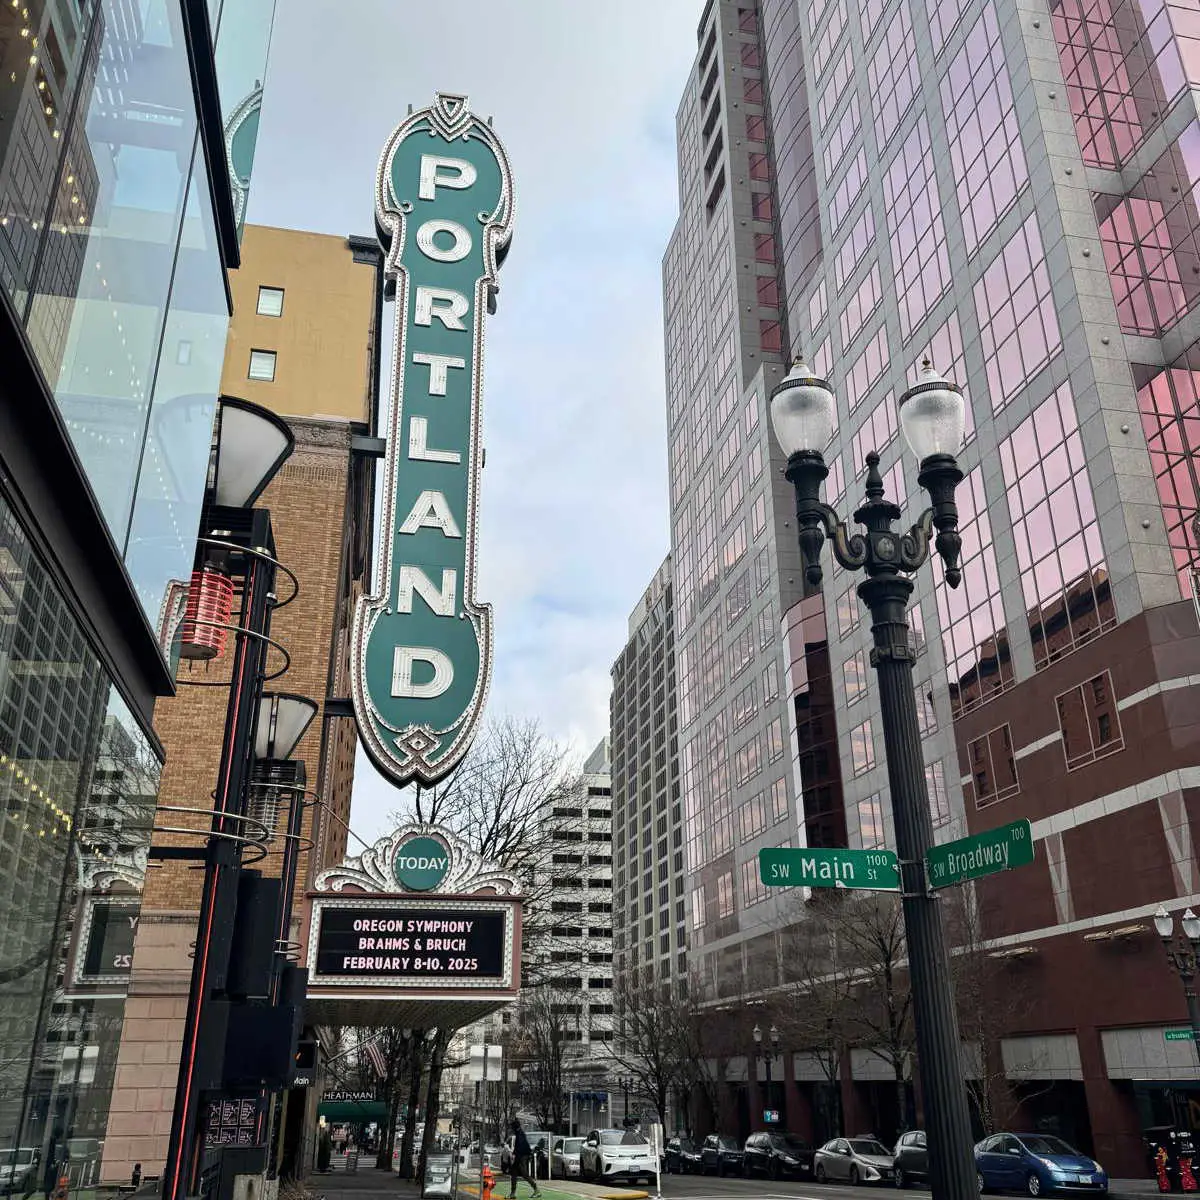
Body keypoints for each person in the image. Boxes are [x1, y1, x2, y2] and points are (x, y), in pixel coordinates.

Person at [507, 1120, 541, 1198]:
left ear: (514, 1127)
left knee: (523, 1174)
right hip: (522, 1156)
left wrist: (515, 1156)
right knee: (515, 1173)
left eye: (512, 1127)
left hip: (521, 1156)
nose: (511, 1129)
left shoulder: (520, 1134)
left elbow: (520, 1147)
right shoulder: (520, 1133)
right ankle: (513, 1193)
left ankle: (536, 1190)